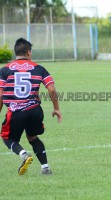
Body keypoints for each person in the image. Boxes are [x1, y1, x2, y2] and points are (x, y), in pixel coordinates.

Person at [0, 38, 62, 175]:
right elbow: (51, 90)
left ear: (15, 52)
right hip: (35, 111)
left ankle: (23, 154)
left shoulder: (4, 70)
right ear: (29, 52)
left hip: (16, 112)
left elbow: (0, 95)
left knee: (7, 137)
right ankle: (45, 167)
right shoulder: (39, 68)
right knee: (32, 137)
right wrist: (56, 108)